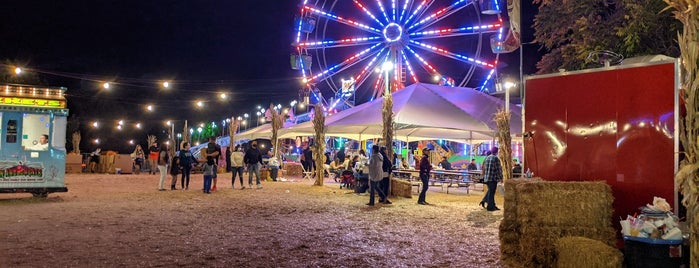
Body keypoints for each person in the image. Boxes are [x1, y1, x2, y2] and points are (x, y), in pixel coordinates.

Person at [480, 147, 503, 211]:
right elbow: (498, 169)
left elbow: (484, 167)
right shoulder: (496, 158)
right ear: (496, 152)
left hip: (487, 178)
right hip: (493, 178)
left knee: (490, 191)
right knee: (491, 192)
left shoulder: (487, 158)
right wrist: (500, 178)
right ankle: (490, 207)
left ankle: (490, 204)